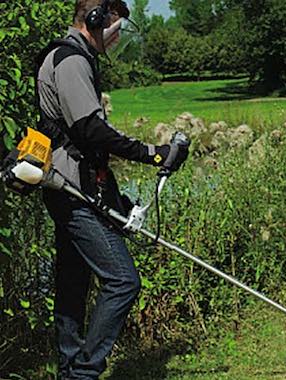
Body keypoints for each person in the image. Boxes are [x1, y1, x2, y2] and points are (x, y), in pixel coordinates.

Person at [35, 1, 188, 379]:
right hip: (72, 190)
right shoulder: (70, 61)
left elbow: (87, 143)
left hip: (76, 185)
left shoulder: (76, 57)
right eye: (115, 26)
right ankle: (84, 373)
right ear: (94, 20)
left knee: (73, 284)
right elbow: (91, 130)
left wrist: (115, 196)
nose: (118, 36)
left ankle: (70, 369)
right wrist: (153, 154)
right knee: (123, 280)